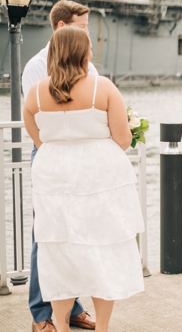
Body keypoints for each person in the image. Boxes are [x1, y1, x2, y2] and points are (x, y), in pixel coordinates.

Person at [23, 26, 144, 332]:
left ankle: (61, 327)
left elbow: (39, 140)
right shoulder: (102, 87)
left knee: (59, 253)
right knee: (102, 250)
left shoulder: (35, 92)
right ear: (81, 52)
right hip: (99, 180)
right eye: (89, 47)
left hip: (53, 181)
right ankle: (101, 328)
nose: (92, 52)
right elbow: (123, 138)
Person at [21, 0, 99, 332]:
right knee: (47, 237)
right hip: (51, 155)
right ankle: (41, 315)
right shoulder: (36, 68)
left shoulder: (90, 68)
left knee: (76, 235)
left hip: (84, 157)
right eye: (82, 28)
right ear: (61, 27)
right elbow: (39, 125)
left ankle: (72, 307)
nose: (87, 34)